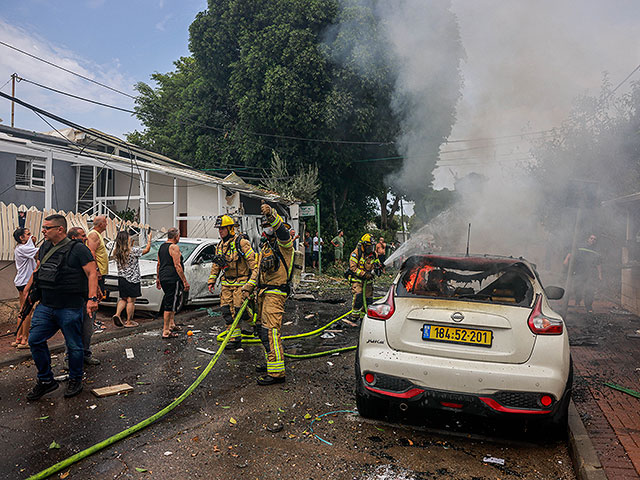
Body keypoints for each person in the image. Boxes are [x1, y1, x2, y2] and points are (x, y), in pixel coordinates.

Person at [25, 214, 99, 400]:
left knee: (74, 345)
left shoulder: (78, 249)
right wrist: (28, 290)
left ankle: (75, 379)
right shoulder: (44, 247)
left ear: (60, 229)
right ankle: (45, 381)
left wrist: (91, 299)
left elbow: (92, 273)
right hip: (46, 305)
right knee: (34, 340)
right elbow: (39, 269)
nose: (43, 231)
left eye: (47, 228)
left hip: (70, 306)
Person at [242, 202, 294, 385]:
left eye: (268, 226)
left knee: (271, 332)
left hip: (275, 294)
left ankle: (277, 373)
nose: (266, 230)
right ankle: (270, 362)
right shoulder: (265, 249)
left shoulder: (285, 246)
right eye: (264, 227)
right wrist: (248, 287)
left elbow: (281, 231)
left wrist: (271, 215)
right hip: (263, 293)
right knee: (262, 332)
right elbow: (257, 271)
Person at [207, 215, 257, 349]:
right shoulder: (220, 246)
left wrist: (252, 283)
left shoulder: (241, 243)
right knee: (227, 312)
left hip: (241, 282)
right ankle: (234, 338)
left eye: (223, 228)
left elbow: (254, 264)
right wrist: (212, 280)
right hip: (226, 284)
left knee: (241, 311)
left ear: (230, 229)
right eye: (219, 229)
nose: (220, 231)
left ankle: (256, 325)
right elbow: (216, 265)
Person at [65, 226, 101, 366]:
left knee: (88, 328)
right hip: (74, 298)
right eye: (82, 235)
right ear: (74, 237)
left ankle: (86, 354)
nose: (86, 238)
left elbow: (91, 273)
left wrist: (95, 292)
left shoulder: (84, 251)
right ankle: (69, 359)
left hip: (87, 297)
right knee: (72, 328)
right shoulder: (71, 251)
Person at [112, 230, 152, 328]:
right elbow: (147, 250)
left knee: (123, 299)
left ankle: (117, 314)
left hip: (122, 278)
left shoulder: (117, 252)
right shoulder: (133, 251)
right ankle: (129, 321)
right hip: (133, 278)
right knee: (131, 301)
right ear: (126, 239)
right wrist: (149, 239)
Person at [156, 227, 190, 338]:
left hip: (164, 276)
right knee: (170, 303)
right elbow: (177, 265)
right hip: (172, 278)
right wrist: (184, 281)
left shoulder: (162, 247)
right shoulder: (174, 247)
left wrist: (158, 278)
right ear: (176, 236)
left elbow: (159, 264)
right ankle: (166, 330)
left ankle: (171, 324)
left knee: (172, 299)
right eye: (179, 235)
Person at [12, 227, 38, 349]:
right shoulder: (23, 248)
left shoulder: (21, 248)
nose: (30, 236)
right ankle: (24, 340)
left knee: (22, 309)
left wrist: (32, 242)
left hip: (21, 281)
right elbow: (38, 253)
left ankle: (18, 338)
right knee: (28, 311)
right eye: (28, 234)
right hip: (26, 282)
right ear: (22, 238)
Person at [564, 233, 602, 313]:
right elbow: (572, 252)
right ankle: (577, 302)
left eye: (594, 239)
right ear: (588, 239)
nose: (592, 240)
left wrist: (599, 275)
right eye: (591, 238)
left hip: (591, 273)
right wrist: (567, 259)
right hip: (579, 271)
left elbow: (598, 263)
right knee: (578, 288)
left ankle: (589, 307)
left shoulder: (597, 251)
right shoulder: (581, 246)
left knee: (590, 290)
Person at [348, 233, 380, 322]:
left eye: (372, 246)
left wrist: (378, 269)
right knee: (359, 298)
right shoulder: (356, 253)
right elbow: (353, 268)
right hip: (357, 280)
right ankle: (354, 317)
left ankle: (364, 318)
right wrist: (364, 274)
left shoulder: (374, 254)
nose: (371, 249)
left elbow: (377, 263)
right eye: (369, 247)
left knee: (368, 300)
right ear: (364, 245)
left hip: (368, 282)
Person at [87, 216, 109, 329]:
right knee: (94, 296)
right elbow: (91, 252)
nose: (106, 225)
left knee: (99, 297)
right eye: (105, 222)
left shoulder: (98, 235)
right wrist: (96, 270)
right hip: (97, 272)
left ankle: (93, 321)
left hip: (101, 272)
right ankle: (91, 324)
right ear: (100, 224)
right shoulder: (93, 235)